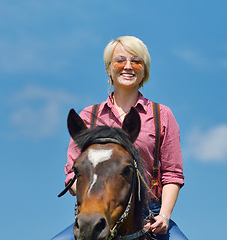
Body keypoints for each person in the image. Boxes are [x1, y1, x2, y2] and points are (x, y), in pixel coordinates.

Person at [53, 36, 187, 240]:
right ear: (109, 69)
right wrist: (91, 203)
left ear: (145, 70)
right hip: (95, 212)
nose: (128, 66)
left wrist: (165, 216)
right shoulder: (88, 116)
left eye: (136, 61)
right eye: (120, 60)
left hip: (148, 214)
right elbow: (72, 174)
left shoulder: (162, 115)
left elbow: (172, 174)